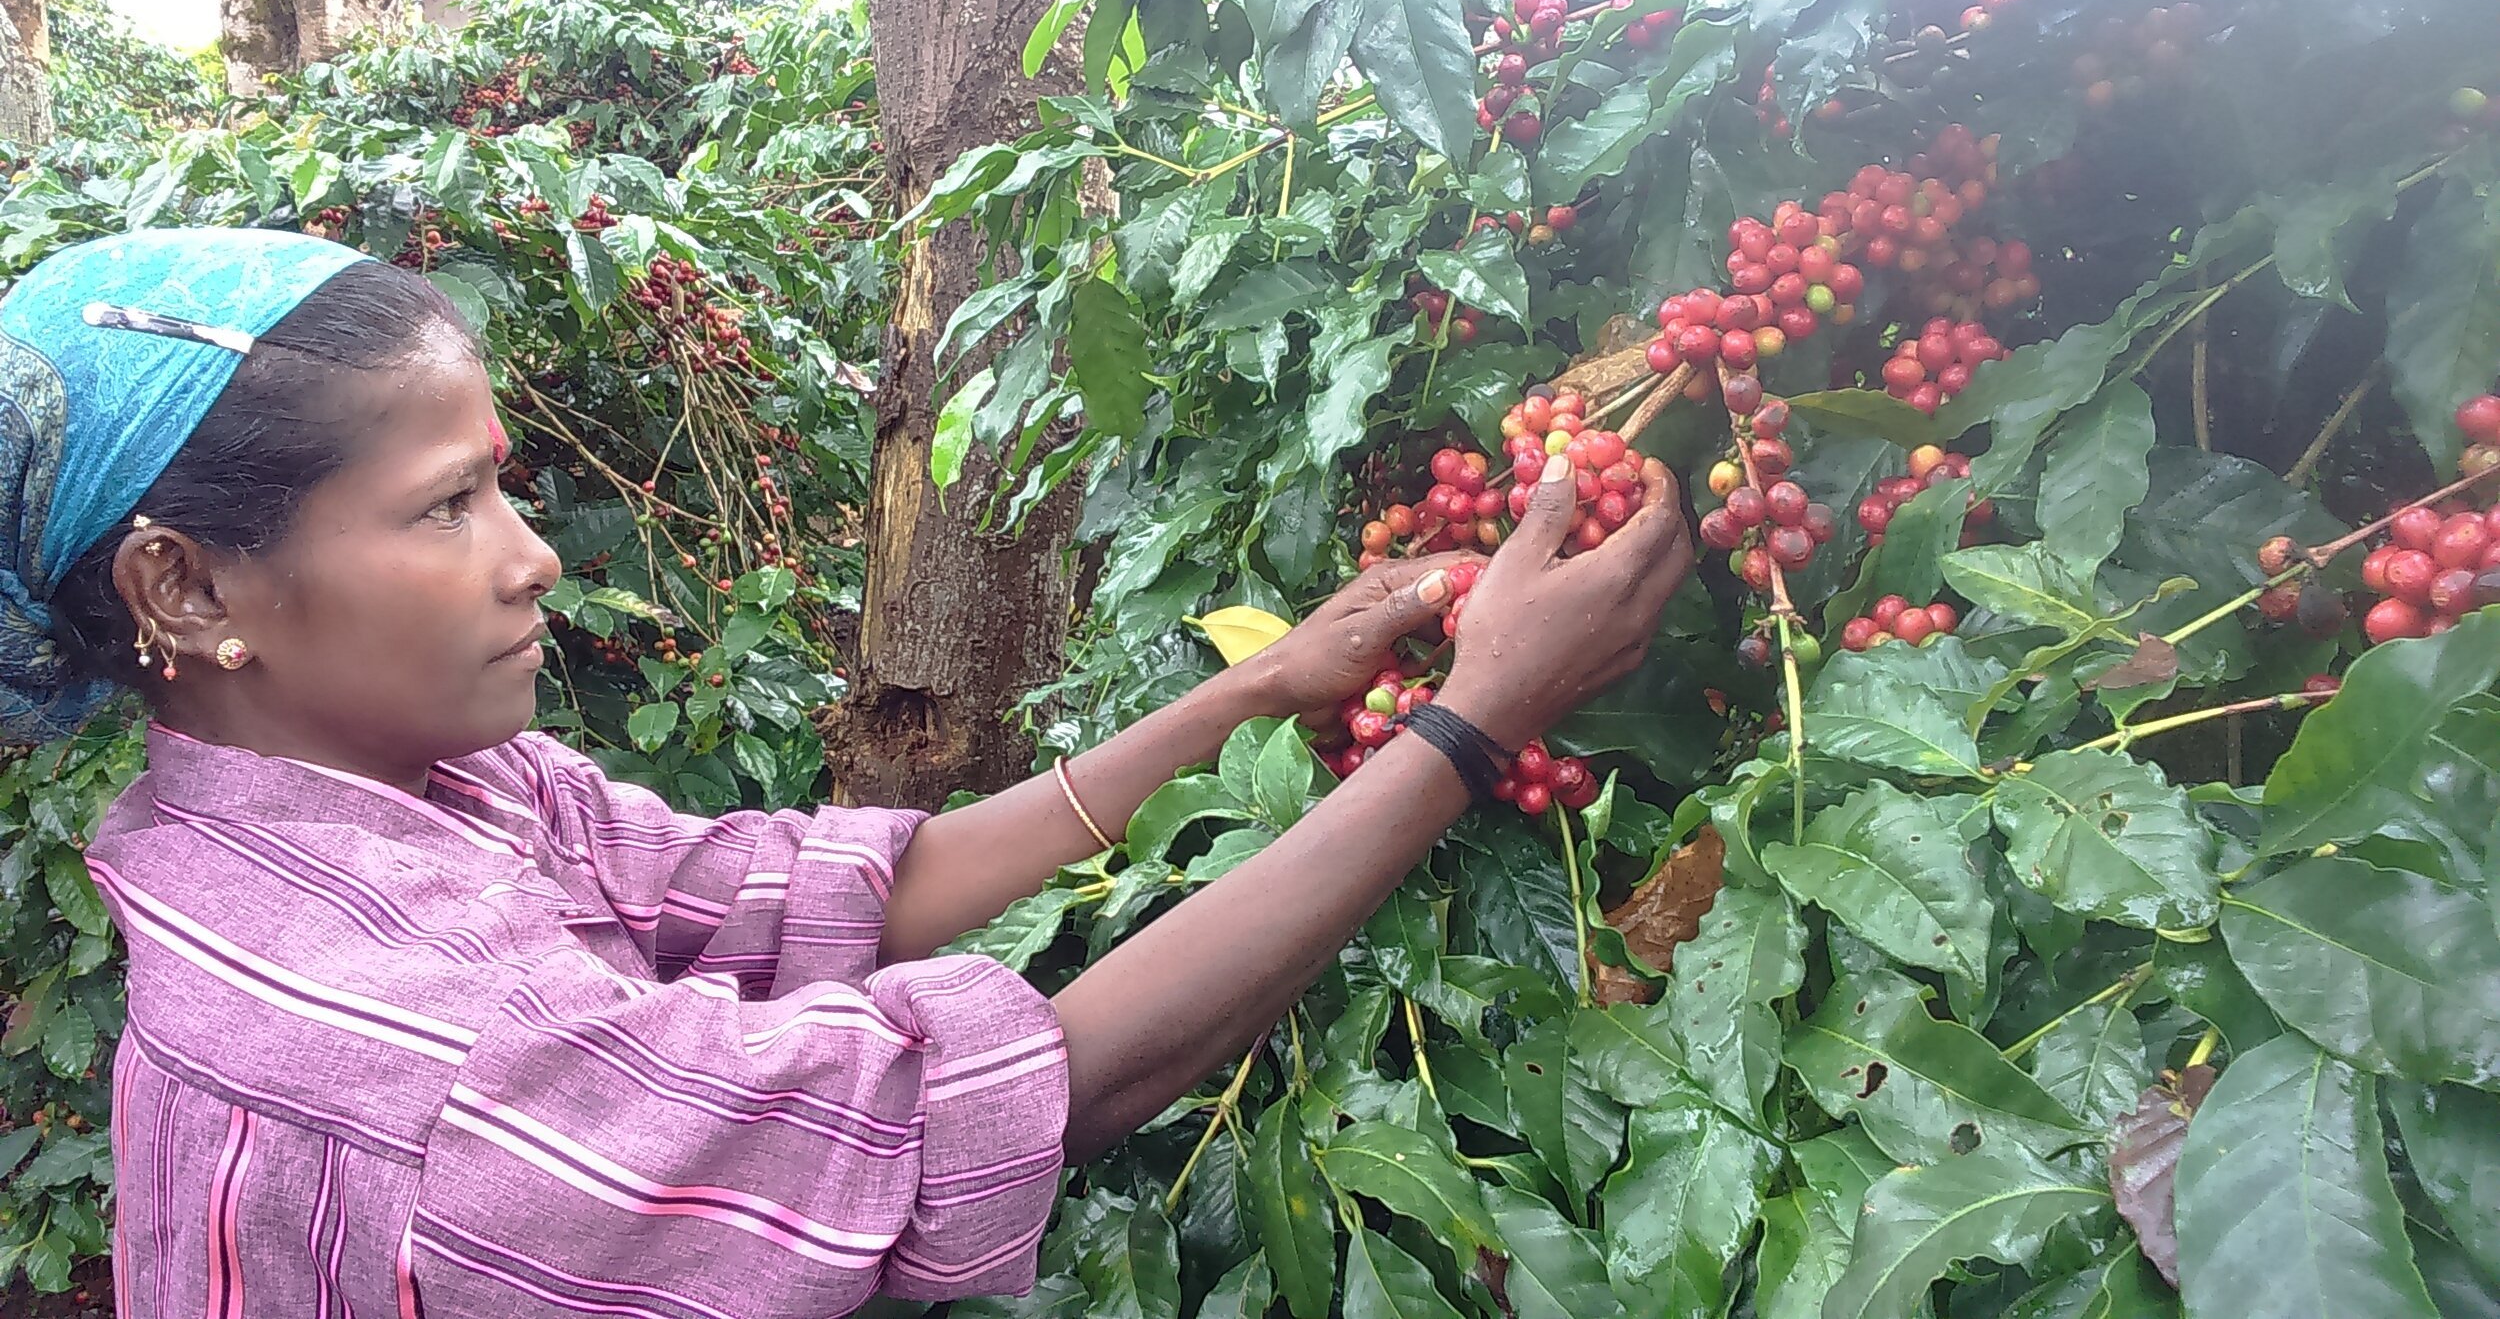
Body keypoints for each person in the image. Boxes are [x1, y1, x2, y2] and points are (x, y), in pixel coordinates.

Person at [0, 228, 1694, 1317]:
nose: (536, 560)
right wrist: (1466, 732)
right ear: (185, 588)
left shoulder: (437, 795)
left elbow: (826, 890)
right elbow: (963, 1108)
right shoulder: (410, 1034)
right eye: (448, 505)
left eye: (508, 489)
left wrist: (1254, 688)